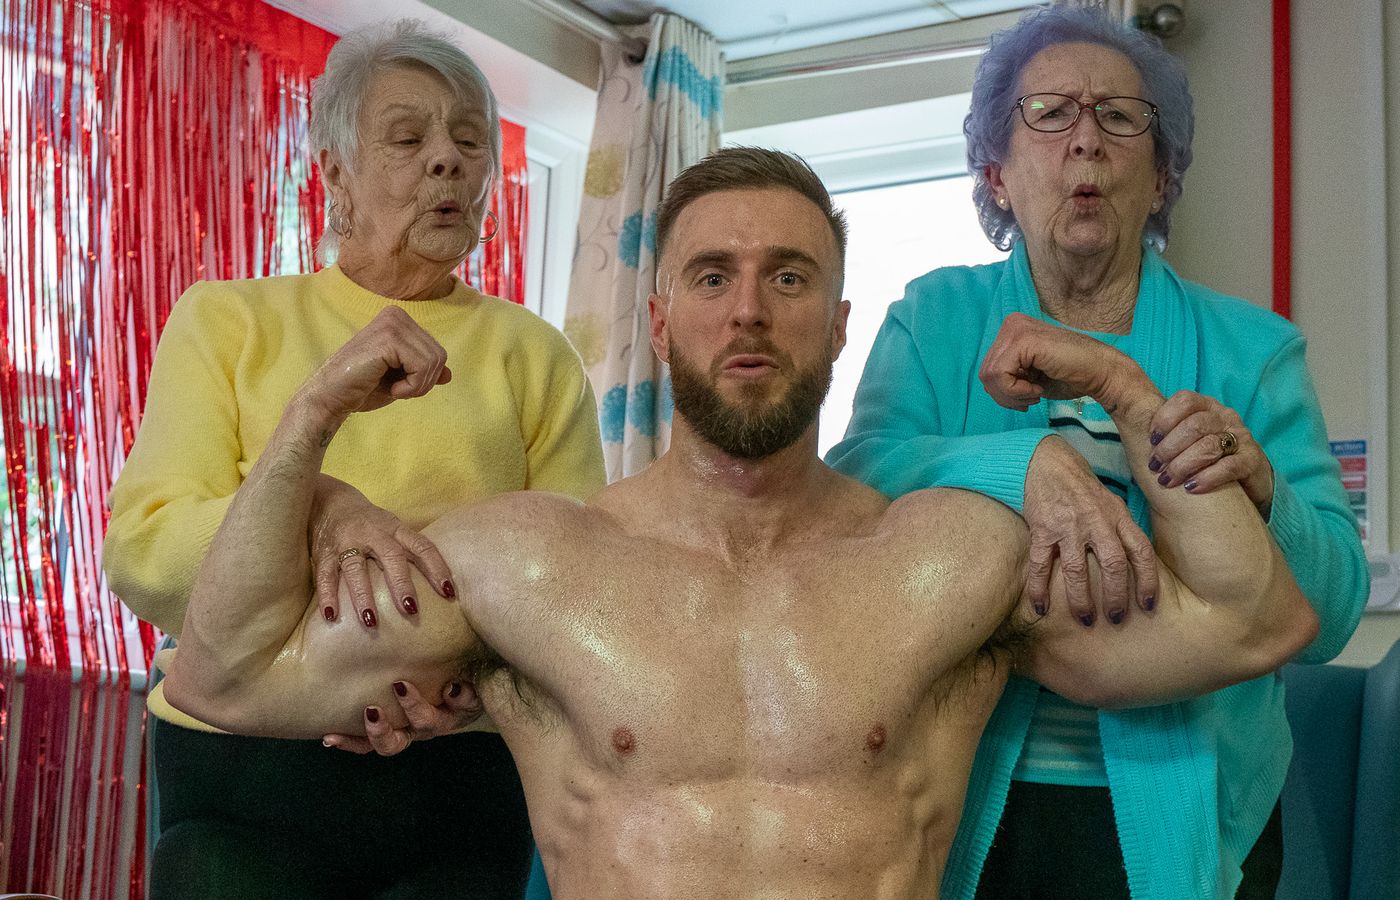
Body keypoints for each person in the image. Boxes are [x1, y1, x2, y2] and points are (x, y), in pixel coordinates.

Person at [157, 147, 1318, 899]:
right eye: (711, 278)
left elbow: (1248, 623)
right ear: (659, 320)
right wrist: (309, 438)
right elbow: (227, 674)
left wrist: (1122, 393)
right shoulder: (527, 562)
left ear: (840, 321)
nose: (749, 309)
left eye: (789, 277)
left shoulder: (947, 556)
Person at [825, 7, 1370, 899]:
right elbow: (853, 488)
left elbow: (1335, 614)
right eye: (1050, 113)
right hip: (964, 789)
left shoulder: (1255, 351)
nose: (1086, 140)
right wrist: (1022, 468)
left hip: (1200, 809)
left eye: (1121, 117)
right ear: (996, 175)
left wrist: (1264, 490)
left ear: (1160, 178)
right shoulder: (934, 321)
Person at [101, 20, 604, 899]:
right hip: (241, 772)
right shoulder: (228, 321)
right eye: (408, 138)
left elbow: (577, 588)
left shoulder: (535, 355)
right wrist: (322, 505)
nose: (445, 160)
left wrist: (477, 693)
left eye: (470, 140)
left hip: (456, 778)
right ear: (334, 172)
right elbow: (147, 553)